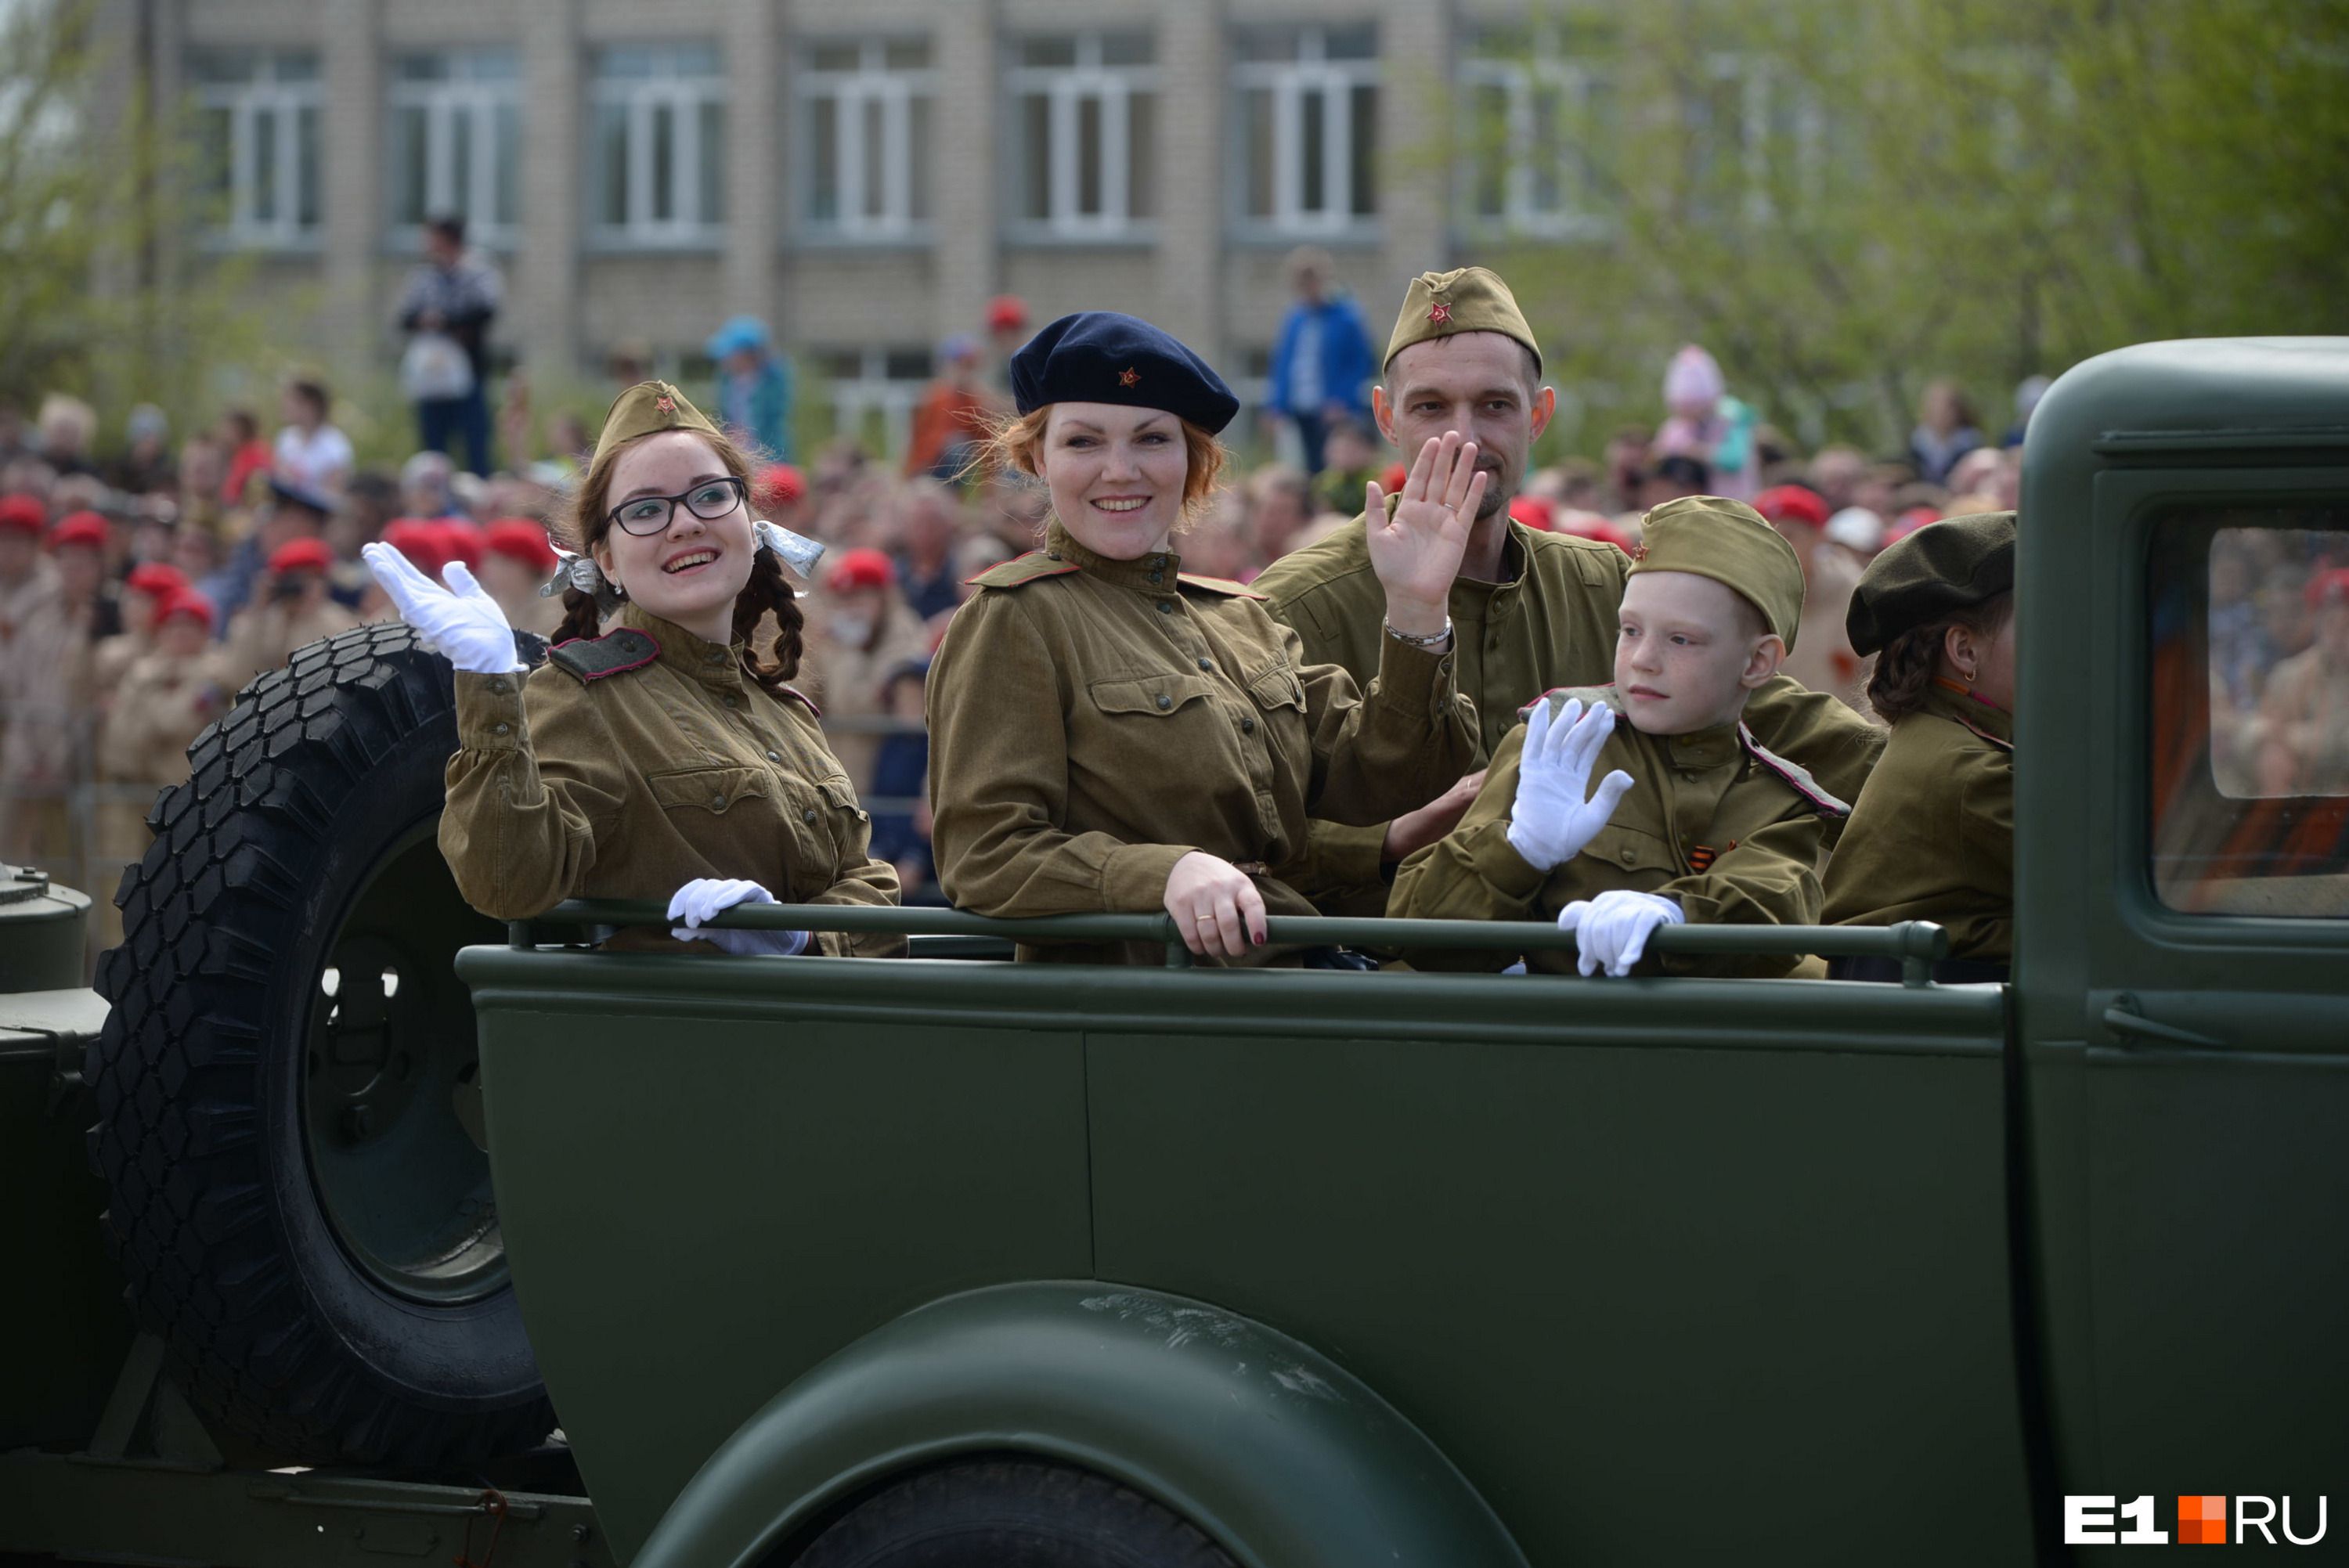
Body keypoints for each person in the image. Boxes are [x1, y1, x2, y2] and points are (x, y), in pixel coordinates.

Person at [1252, 268, 1884, 919]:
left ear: (1539, 415)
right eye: (1431, 407)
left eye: (1495, 405)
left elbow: (1772, 710)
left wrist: (1958, 768)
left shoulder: (1604, 583)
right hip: (1386, 983)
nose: (1466, 437)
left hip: (1592, 971)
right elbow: (1242, 829)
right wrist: (1386, 841)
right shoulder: (1295, 606)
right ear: (1387, 417)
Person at [926, 310, 1478, 966]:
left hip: (1287, 976)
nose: (1121, 469)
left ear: (1193, 461)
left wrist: (1416, 614)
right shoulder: (1019, 617)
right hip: (1147, 1018)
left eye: (1152, 439)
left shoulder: (1240, 618)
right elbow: (985, 857)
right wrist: (1164, 874)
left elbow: (1385, 781)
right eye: (1083, 442)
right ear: (1036, 459)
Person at [363, 380, 900, 955]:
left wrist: (801, 936)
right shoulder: (583, 696)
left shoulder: (784, 710)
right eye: (645, 510)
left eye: (712, 496)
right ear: (607, 560)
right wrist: (489, 682)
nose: (686, 523)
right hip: (676, 1036)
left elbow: (872, 888)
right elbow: (506, 882)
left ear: (751, 521)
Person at [1392, 496, 1848, 977]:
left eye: (1680, 640)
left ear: (1757, 663)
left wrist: (1678, 917)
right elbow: (1421, 936)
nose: (1643, 659)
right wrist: (1518, 849)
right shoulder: (1561, 743)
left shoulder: (1777, 800)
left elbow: (1774, 904)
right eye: (1630, 630)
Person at [1821, 510, 2018, 979]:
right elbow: (2111, 888)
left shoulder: (1948, 733)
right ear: (1965, 651)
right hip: (1928, 1008)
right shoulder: (1974, 771)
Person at [799, 546, 930, 795]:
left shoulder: (906, 640)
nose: (851, 607)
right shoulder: (834, 640)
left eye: (859, 596)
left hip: (886, 790)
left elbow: (855, 705)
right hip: (839, 781)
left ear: (883, 598)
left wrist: (848, 650)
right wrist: (807, 649)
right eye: (843, 598)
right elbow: (802, 700)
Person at [398, 214, 503, 474]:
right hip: (432, 376)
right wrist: (425, 321)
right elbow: (406, 317)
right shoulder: (424, 276)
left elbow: (485, 311)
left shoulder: (477, 271)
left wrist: (445, 322)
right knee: (433, 445)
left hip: (467, 372)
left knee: (475, 441)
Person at [1265, 247, 1376, 475]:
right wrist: (1276, 405)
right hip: (1300, 406)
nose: (1308, 289)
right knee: (1303, 468)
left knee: (1332, 465)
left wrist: (1341, 400)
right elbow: (1284, 365)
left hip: (1331, 410)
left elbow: (1360, 363)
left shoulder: (1346, 317)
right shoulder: (1296, 319)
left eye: (1312, 281)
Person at [1752, 484, 1864, 709]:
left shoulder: (1856, 593)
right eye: (1767, 538)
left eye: (1788, 536)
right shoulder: (1751, 598)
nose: (1777, 547)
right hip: (1775, 738)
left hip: (1850, 734)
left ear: (1819, 536)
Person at [222, 536, 362, 682]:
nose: (301, 587)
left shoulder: (343, 624)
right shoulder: (261, 621)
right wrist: (258, 611)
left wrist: (308, 616)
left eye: (312, 577)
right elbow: (236, 677)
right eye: (295, 579)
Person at [1652, 345, 1760, 501]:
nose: (1690, 415)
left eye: (1694, 406)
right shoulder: (1676, 426)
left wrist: (1696, 452)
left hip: (1734, 503)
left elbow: (1734, 460)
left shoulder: (1732, 418)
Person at [903, 335, 993, 480]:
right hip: (927, 468)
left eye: (970, 367)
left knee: (959, 447)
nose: (965, 373)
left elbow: (987, 445)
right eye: (961, 366)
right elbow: (916, 440)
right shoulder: (933, 397)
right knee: (956, 446)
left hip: (954, 469)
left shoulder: (974, 401)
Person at [707, 315, 793, 460]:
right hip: (735, 452)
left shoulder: (772, 382)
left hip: (766, 454)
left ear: (748, 355)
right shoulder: (727, 380)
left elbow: (771, 422)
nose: (725, 360)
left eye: (731, 355)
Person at [479, 517, 565, 637]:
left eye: (495, 562)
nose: (487, 569)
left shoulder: (554, 612)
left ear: (519, 565)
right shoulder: (503, 604)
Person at [272, 375, 354, 497]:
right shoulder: (286, 437)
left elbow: (334, 496)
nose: (285, 407)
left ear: (311, 405)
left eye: (291, 401)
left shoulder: (335, 446)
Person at [1908, 379, 1983, 487]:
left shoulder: (1973, 445)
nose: (1939, 413)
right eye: (1933, 405)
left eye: (1945, 407)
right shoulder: (1916, 446)